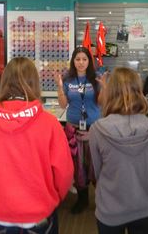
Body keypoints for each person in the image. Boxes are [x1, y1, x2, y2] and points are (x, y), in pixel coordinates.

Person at [0, 57, 73, 234]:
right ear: (35, 82)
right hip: (40, 213)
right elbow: (64, 173)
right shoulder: (50, 124)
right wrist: (52, 198)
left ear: (4, 82)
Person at [89, 67, 148, 234]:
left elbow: (97, 171)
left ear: (110, 92)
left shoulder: (97, 130)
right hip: (144, 207)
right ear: (139, 90)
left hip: (110, 209)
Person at [56, 46, 102, 214]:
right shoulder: (68, 80)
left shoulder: (96, 79)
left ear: (89, 61)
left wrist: (104, 87)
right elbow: (63, 105)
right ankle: (82, 200)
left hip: (95, 129)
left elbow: (102, 102)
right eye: (77, 59)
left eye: (84, 59)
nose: (81, 62)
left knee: (96, 165)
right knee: (77, 166)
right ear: (73, 61)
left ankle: (103, 201)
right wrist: (60, 87)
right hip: (73, 128)